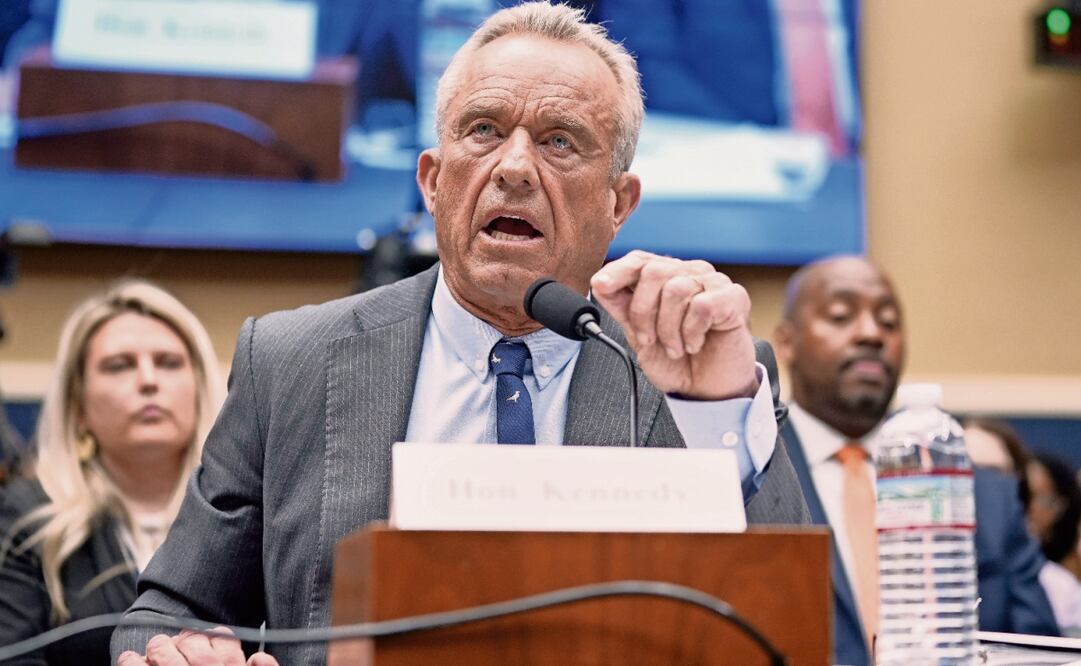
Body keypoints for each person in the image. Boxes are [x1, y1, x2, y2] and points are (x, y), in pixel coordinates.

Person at [111, 3, 809, 665]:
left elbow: (786, 624)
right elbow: (168, 609)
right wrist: (182, 650)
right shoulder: (293, 362)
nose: (511, 168)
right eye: (482, 130)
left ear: (618, 202)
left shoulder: (687, 372)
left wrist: (716, 407)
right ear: (432, 181)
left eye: (559, 141)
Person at [773, 255, 1059, 666]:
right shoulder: (748, 477)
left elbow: (1040, 650)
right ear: (786, 342)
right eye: (840, 316)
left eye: (889, 322)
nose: (871, 333)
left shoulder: (987, 497)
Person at [0, 280, 225, 665]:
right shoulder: (29, 517)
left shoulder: (252, 515)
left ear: (200, 386)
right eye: (119, 366)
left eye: (169, 363)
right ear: (79, 407)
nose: (149, 380)